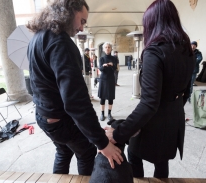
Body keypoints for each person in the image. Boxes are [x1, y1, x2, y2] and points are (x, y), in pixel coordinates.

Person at [26, 0, 123, 175]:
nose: (82, 28)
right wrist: (102, 143)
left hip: (43, 115)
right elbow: (76, 102)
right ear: (69, 12)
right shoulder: (60, 42)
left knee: (64, 150)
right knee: (86, 151)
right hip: (58, 119)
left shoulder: (39, 36)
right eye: (82, 21)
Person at [104, 0, 195, 178]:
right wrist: (172, 107)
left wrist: (119, 134)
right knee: (162, 162)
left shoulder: (155, 51)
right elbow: (186, 92)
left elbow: (149, 103)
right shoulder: (186, 51)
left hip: (153, 122)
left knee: (133, 154)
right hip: (174, 119)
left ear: (152, 23)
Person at [98, 42, 117, 121]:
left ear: (111, 48)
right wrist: (103, 66)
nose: (107, 48)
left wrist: (112, 65)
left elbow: (115, 69)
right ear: (103, 49)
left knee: (110, 97)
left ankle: (109, 114)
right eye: (106, 47)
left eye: (109, 47)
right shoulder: (101, 58)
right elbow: (100, 69)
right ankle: (102, 114)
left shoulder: (114, 58)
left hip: (111, 79)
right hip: (103, 79)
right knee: (102, 98)